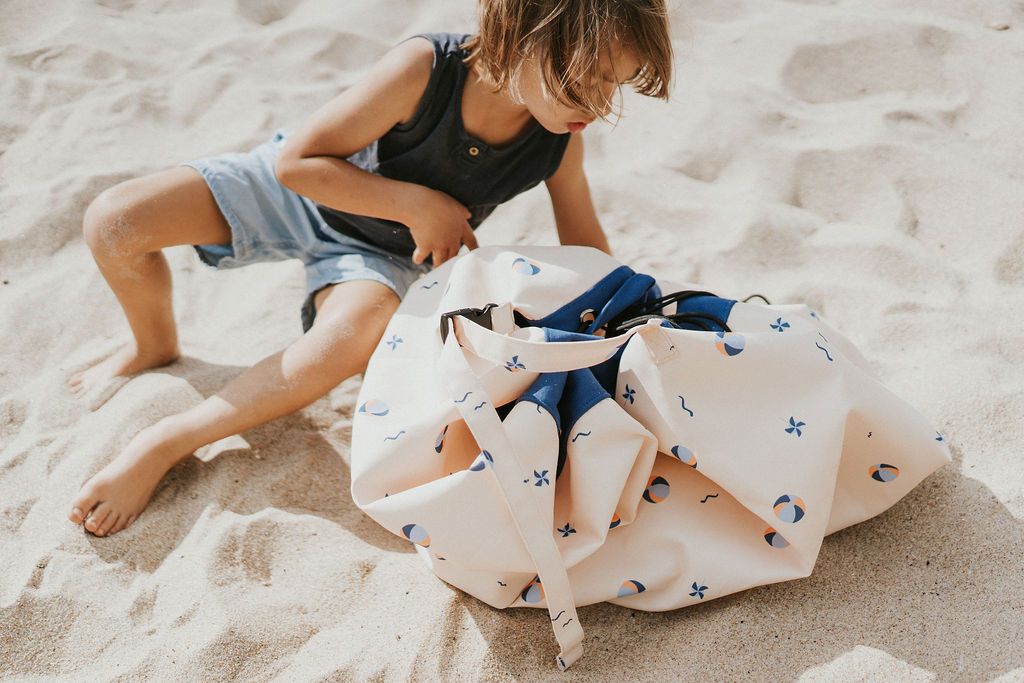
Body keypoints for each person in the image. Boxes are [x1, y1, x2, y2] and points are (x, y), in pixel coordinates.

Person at [65, 0, 673, 537]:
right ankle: (153, 344)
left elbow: (587, 248)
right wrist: (417, 205)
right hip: (299, 193)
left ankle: (166, 441)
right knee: (115, 220)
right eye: (590, 79)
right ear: (523, 31)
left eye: (616, 85)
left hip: (378, 257)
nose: (601, 105)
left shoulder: (559, 142)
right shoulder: (425, 69)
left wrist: (639, 320)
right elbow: (299, 163)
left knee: (345, 342)